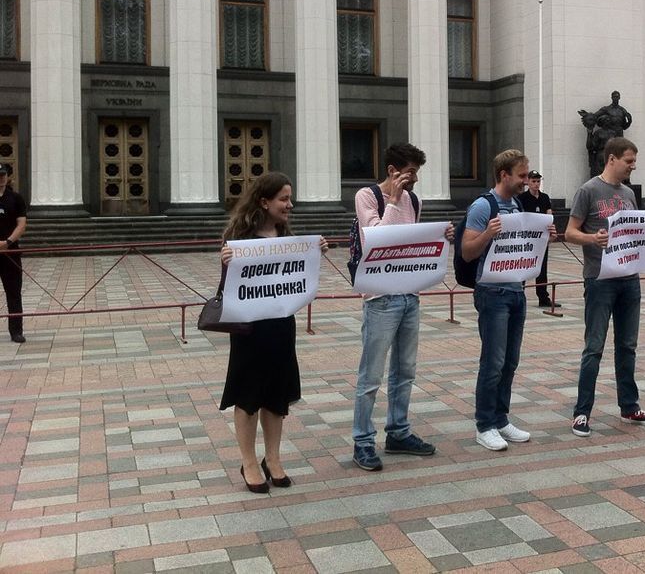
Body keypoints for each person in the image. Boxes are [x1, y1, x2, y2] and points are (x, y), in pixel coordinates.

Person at [218, 172, 329, 493]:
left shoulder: (287, 237)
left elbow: (298, 277)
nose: (289, 205)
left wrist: (316, 252)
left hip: (281, 325)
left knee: (277, 392)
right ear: (264, 202)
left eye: (290, 198)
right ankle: (249, 462)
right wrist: (226, 262)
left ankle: (273, 458)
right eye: (284, 199)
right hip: (249, 328)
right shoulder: (239, 238)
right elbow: (229, 288)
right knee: (248, 391)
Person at [351, 143, 453, 472]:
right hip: (380, 298)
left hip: (409, 294)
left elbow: (410, 242)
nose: (415, 180)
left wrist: (440, 236)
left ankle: (398, 431)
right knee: (371, 375)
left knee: (405, 371)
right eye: (410, 173)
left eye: (417, 173)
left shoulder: (414, 200)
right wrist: (394, 200)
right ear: (393, 171)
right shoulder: (367, 197)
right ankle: (363, 441)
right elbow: (378, 239)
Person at [564, 137, 645, 437]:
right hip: (599, 280)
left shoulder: (628, 194)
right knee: (594, 347)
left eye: (634, 161)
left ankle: (629, 406)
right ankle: (581, 412)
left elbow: (637, 231)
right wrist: (592, 239)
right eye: (629, 161)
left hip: (629, 278)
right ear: (612, 159)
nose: (633, 166)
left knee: (627, 346)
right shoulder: (588, 190)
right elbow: (569, 232)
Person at [462, 149, 556, 451]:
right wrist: (488, 233)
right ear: (504, 175)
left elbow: (522, 244)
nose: (526, 181)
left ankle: (501, 419)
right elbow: (467, 251)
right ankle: (484, 425)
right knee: (493, 362)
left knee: (510, 361)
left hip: (516, 290)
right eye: (521, 175)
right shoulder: (483, 206)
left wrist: (545, 234)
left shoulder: (516, 204)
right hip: (492, 293)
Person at [517, 170, 560, 308]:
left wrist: (551, 228)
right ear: (528, 182)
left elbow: (549, 215)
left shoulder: (544, 197)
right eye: (533, 181)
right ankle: (519, 295)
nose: (536, 184)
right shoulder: (522, 198)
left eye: (538, 181)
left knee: (542, 269)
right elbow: (520, 217)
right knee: (523, 266)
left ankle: (543, 297)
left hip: (541, 238)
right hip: (527, 239)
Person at [0, 164, 27, 344]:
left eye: (3, 175)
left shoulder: (16, 198)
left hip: (11, 253)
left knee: (14, 293)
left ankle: (16, 331)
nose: (1, 178)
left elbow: (22, 224)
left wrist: (7, 242)